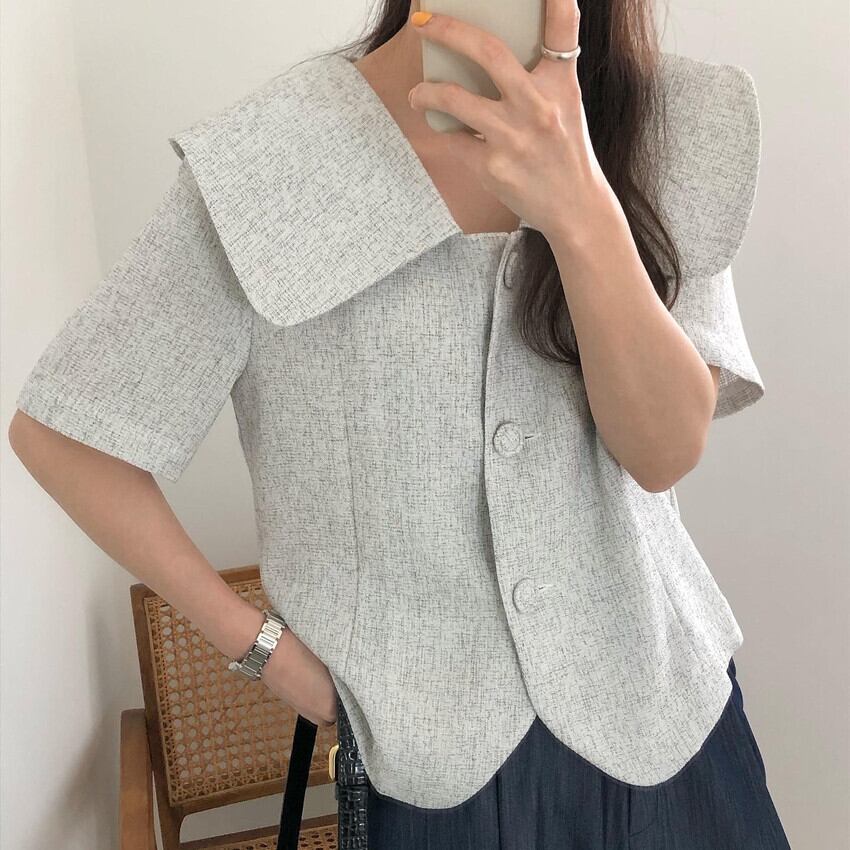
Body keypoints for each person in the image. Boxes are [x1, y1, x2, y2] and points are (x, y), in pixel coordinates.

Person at [9, 0, 792, 847]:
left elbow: (663, 451)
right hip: (424, 773)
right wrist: (265, 651)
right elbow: (67, 434)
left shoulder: (664, 124)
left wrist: (581, 207)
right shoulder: (269, 166)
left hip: (667, 724)